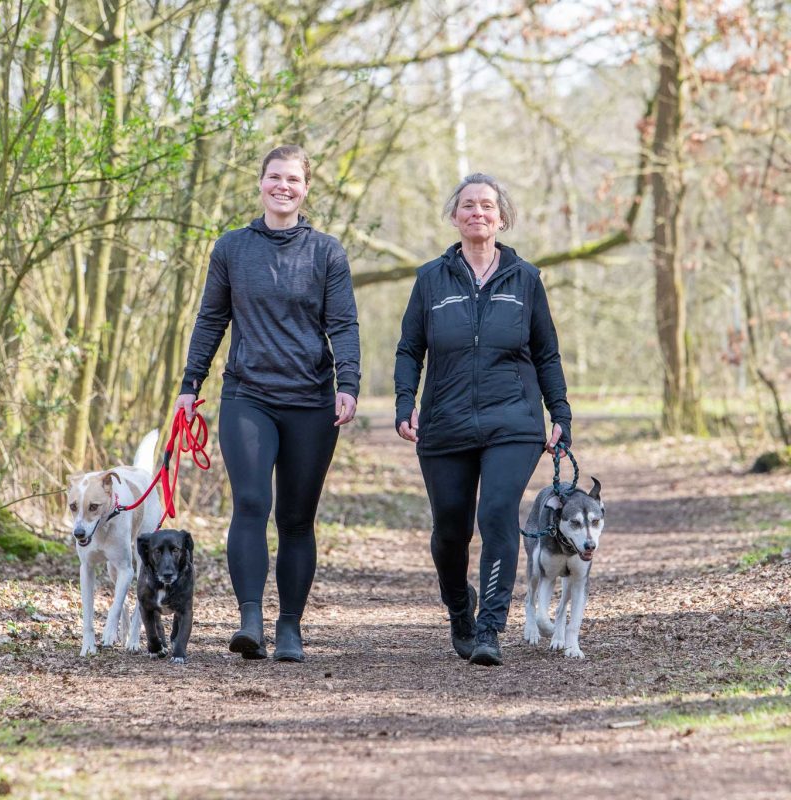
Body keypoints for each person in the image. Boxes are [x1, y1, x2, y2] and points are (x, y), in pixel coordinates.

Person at [174, 144, 360, 663]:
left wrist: (348, 384)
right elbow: (211, 319)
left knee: (297, 519)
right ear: (260, 183)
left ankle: (290, 628)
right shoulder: (231, 248)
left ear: (305, 189)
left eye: (293, 179)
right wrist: (190, 384)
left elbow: (343, 323)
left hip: (310, 400)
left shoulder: (327, 252)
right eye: (275, 177)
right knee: (252, 504)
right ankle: (250, 619)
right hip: (247, 394)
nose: (283, 186)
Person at [394, 173, 571, 666]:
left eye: (487, 206)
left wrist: (559, 413)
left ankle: (491, 627)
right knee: (451, 529)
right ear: (455, 217)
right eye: (468, 205)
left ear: (502, 217)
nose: (478, 212)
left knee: (496, 516)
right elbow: (410, 348)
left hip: (512, 420)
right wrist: (404, 401)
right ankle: (459, 608)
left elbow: (547, 353)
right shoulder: (430, 278)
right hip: (444, 421)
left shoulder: (526, 279)